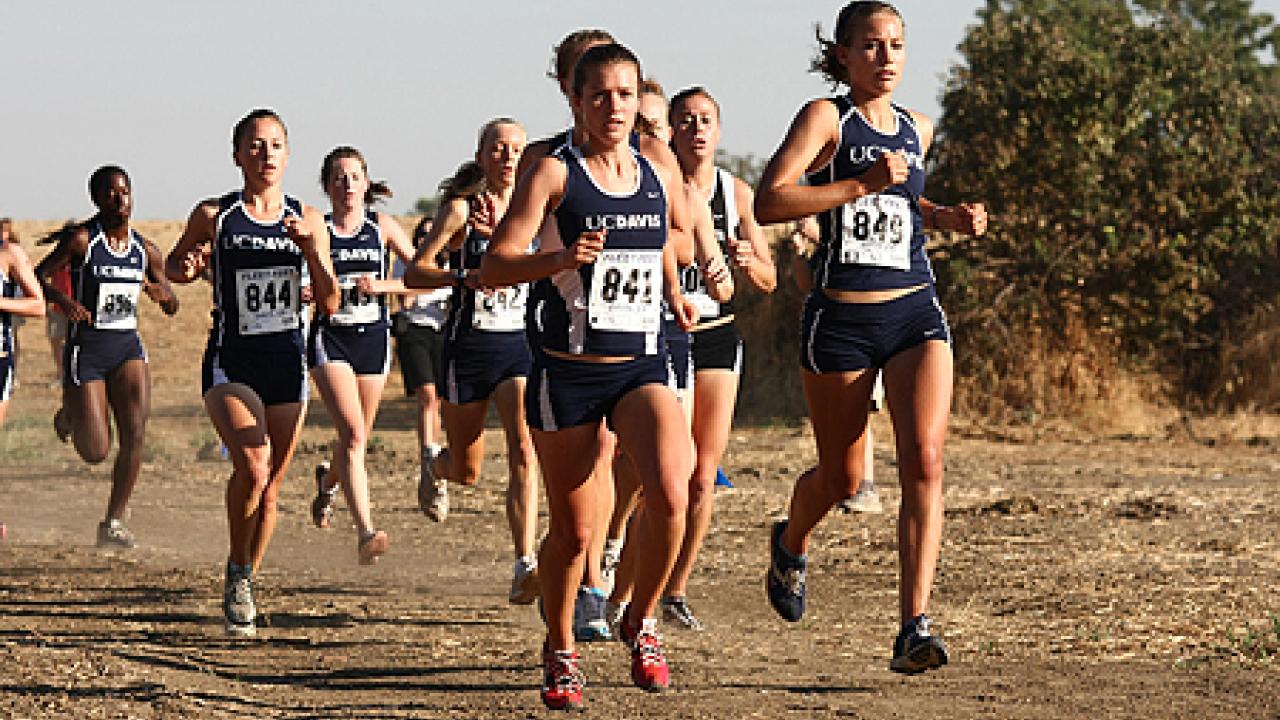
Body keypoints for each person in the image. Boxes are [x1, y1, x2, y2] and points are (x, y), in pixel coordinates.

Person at [754, 1, 987, 674]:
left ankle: (913, 625)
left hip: (914, 311)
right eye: (872, 47)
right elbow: (772, 199)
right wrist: (858, 182)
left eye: (897, 46)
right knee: (842, 476)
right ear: (844, 56)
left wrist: (945, 215)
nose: (887, 58)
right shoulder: (827, 118)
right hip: (841, 321)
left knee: (926, 460)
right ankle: (791, 542)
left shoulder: (920, 126)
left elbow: (903, 199)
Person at [482, 43, 696, 709]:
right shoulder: (553, 172)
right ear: (574, 101)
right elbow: (494, 266)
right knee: (574, 534)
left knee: (672, 491)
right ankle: (559, 646)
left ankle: (643, 619)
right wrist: (558, 259)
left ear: (639, 99)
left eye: (625, 94)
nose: (614, 107)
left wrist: (674, 292)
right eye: (599, 94)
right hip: (567, 373)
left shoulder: (655, 164)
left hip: (640, 362)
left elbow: (664, 237)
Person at [165, 108, 338, 637]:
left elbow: (329, 300)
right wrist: (189, 267)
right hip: (232, 359)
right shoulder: (215, 215)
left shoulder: (308, 218)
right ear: (238, 155)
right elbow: (174, 265)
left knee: (270, 490)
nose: (266, 155)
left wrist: (311, 252)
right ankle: (240, 573)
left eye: (277, 145)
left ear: (289, 155)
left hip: (287, 361)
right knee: (254, 465)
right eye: (256, 146)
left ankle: (241, 574)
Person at [404, 118, 543, 605]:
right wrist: (464, 277)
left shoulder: (538, 212)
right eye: (498, 149)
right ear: (482, 156)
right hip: (468, 349)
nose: (508, 157)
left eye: (517, 149)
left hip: (519, 347)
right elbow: (418, 273)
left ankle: (524, 562)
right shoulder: (462, 212)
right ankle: (432, 463)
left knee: (525, 450)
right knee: (466, 471)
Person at [660, 85, 777, 629]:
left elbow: (769, 280)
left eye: (706, 119)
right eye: (685, 120)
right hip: (665, 335)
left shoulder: (738, 195)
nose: (696, 129)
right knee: (666, 471)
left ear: (719, 130)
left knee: (704, 477)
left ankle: (675, 589)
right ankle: (631, 573)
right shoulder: (657, 186)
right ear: (671, 131)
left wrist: (748, 259)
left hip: (718, 333)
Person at [35, 166, 178, 549]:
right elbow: (39, 276)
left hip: (127, 347)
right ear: (97, 199)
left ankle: (113, 522)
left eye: (126, 192)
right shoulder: (83, 241)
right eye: (111, 194)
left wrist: (165, 298)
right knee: (96, 451)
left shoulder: (145, 250)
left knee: (135, 434)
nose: (121, 200)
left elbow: (171, 302)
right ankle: (72, 413)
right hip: (88, 351)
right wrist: (64, 301)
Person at [305, 146, 414, 565]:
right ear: (327, 186)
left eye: (354, 176)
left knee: (357, 440)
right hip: (331, 339)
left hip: (373, 339)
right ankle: (367, 531)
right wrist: (307, 289)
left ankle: (328, 484)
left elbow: (422, 277)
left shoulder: (382, 227)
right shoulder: (319, 229)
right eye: (338, 177)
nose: (347, 184)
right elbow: (300, 274)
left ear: (366, 184)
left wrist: (384, 288)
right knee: (351, 434)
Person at [791, 216, 883, 513]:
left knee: (862, 408)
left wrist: (819, 236)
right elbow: (806, 284)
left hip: (868, 322)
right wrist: (800, 253)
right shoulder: (822, 249)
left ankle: (865, 485)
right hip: (830, 328)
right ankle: (851, 483)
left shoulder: (846, 226)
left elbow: (861, 254)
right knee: (846, 415)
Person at [391, 216, 448, 500]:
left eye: (433, 232)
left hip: (443, 331)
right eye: (423, 234)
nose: (427, 238)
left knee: (437, 400)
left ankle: (434, 454)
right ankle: (427, 455)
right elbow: (406, 297)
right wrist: (427, 281)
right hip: (414, 331)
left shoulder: (451, 262)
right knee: (426, 395)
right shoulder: (408, 261)